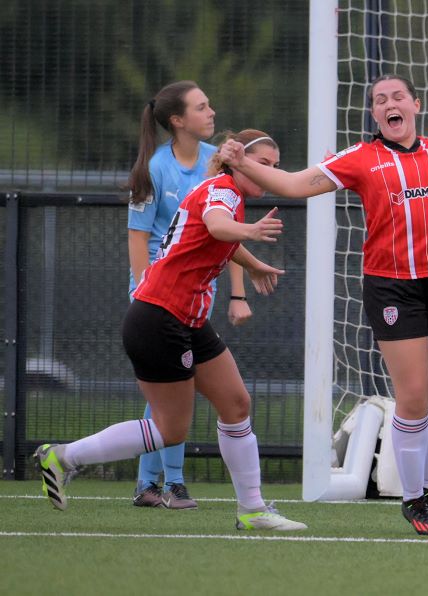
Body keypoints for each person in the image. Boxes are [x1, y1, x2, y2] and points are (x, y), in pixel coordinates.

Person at [217, 73, 428, 536]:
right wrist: (246, 165)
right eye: (380, 100)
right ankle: (414, 499)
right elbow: (295, 185)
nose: (390, 104)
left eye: (398, 97)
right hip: (393, 288)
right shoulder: (361, 158)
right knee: (413, 394)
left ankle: (426, 492)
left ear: (415, 104)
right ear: (375, 114)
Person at [36, 130, 307, 531]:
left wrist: (250, 263)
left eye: (275, 165)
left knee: (236, 404)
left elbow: (209, 235)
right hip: (159, 318)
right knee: (169, 428)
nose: (271, 171)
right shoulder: (226, 191)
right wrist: (249, 233)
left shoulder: (222, 189)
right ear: (237, 161)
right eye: (264, 163)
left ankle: (252, 510)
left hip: (186, 320)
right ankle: (61, 457)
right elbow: (216, 226)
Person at [127, 81, 252, 509]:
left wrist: (238, 293)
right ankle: (161, 482)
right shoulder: (155, 168)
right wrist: (144, 289)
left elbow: (224, 234)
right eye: (202, 107)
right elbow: (138, 237)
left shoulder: (215, 163)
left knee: (178, 393)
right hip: (158, 295)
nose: (212, 112)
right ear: (178, 120)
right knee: (168, 394)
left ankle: (160, 483)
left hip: (197, 293)